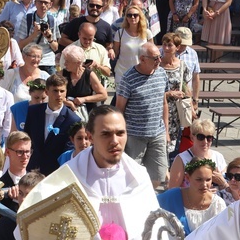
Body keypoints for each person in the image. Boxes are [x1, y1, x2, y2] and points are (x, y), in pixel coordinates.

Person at [19, 106, 160, 239]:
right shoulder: (66, 179)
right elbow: (32, 227)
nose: (115, 141)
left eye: (120, 133)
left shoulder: (138, 178)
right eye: (106, 134)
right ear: (90, 137)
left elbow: (154, 231)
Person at [116, 42, 169, 187]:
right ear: (142, 59)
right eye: (155, 58)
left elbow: (164, 103)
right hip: (134, 135)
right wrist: (120, 133)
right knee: (132, 177)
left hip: (157, 133)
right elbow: (119, 108)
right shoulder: (128, 78)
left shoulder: (161, 73)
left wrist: (166, 130)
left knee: (158, 176)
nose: (159, 61)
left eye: (160, 57)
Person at [24, 74, 81, 176]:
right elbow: (27, 138)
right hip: (32, 169)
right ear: (47, 92)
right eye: (55, 91)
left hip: (56, 172)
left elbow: (68, 150)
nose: (59, 95)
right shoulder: (33, 111)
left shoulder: (73, 119)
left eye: (62, 91)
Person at [158, 158, 227, 235]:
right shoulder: (171, 196)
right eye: (199, 179)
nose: (204, 184)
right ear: (187, 177)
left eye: (208, 180)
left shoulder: (218, 204)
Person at [168, 119, 228, 189]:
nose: (205, 141)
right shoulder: (181, 159)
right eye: (201, 137)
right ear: (192, 137)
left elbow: (230, 191)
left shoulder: (218, 157)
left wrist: (222, 182)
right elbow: (173, 190)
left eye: (209, 138)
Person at [160, 32, 194, 155]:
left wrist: (192, 109)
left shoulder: (182, 66)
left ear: (177, 47)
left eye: (169, 45)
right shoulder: (157, 65)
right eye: (164, 45)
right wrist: (169, 94)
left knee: (173, 146)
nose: (166, 48)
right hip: (159, 109)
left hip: (176, 111)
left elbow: (187, 89)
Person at [60, 44, 107, 117]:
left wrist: (84, 99)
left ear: (78, 63)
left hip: (86, 114)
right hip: (66, 113)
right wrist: (68, 103)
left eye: (68, 61)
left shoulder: (89, 75)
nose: (65, 64)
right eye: (65, 60)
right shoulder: (62, 74)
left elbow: (103, 95)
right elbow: (53, 92)